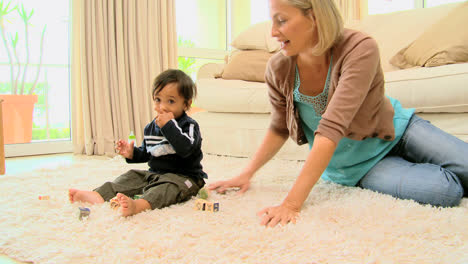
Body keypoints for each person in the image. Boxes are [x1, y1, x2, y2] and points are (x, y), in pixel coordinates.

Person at [209, 0, 468, 227]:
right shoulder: (278, 68)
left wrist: (291, 203)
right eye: (272, 22)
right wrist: (247, 173)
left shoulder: (359, 48)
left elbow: (331, 128)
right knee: (445, 191)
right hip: (358, 166)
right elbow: (279, 127)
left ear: (313, 16)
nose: (274, 32)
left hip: (399, 130)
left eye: (282, 20)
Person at [69, 69, 207, 216]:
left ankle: (139, 205)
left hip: (184, 178)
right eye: (158, 100)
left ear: (186, 104)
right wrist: (132, 153)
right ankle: (99, 195)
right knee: (132, 176)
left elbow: (186, 149)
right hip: (155, 174)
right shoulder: (151, 127)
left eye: (171, 101)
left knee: (167, 188)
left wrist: (169, 126)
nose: (163, 106)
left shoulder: (189, 126)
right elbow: (148, 153)